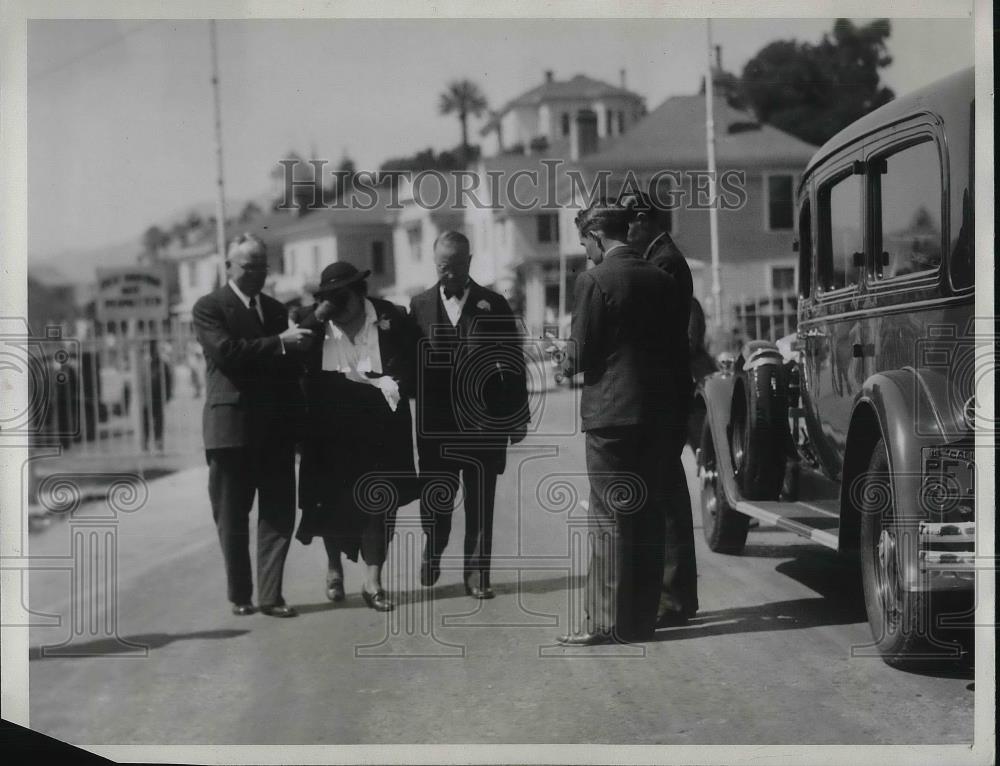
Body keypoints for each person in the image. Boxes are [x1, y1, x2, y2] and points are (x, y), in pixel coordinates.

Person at [554, 200, 685, 645]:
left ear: (596, 237)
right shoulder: (662, 277)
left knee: (609, 518)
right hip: (655, 412)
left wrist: (561, 360)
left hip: (610, 415)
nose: (586, 253)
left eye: (585, 245)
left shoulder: (593, 280)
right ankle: (639, 621)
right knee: (647, 516)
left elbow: (583, 352)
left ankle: (604, 622)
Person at [192, 233, 314, 618]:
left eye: (263, 266)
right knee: (232, 517)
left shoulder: (277, 311)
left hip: (274, 430)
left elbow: (288, 372)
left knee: (279, 513)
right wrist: (280, 342)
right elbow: (227, 354)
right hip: (231, 429)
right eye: (250, 267)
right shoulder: (209, 307)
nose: (258, 274)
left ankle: (271, 595)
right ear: (229, 266)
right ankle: (240, 594)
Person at [409, 231, 530, 599]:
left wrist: (517, 417)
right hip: (437, 426)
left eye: (457, 266)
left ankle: (477, 573)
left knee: (481, 501)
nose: (449, 274)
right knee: (437, 500)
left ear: (470, 262)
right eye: (443, 267)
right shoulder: (419, 306)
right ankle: (435, 545)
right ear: (435, 264)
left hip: (484, 424)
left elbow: (513, 363)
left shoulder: (493, 304)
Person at [294, 262, 420, 612]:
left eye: (342, 297)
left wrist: (396, 382)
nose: (338, 306)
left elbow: (415, 360)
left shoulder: (389, 315)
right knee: (330, 501)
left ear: (359, 292)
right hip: (329, 431)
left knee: (379, 503)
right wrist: (319, 315)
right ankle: (334, 570)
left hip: (381, 429)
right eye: (329, 299)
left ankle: (373, 581)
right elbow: (292, 356)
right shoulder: (316, 320)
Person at [618, 190, 699, 626]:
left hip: (664, 395)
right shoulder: (661, 257)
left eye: (629, 221)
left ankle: (675, 597)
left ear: (646, 220)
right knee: (665, 496)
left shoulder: (663, 262)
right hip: (664, 392)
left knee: (667, 500)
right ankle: (676, 595)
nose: (625, 229)